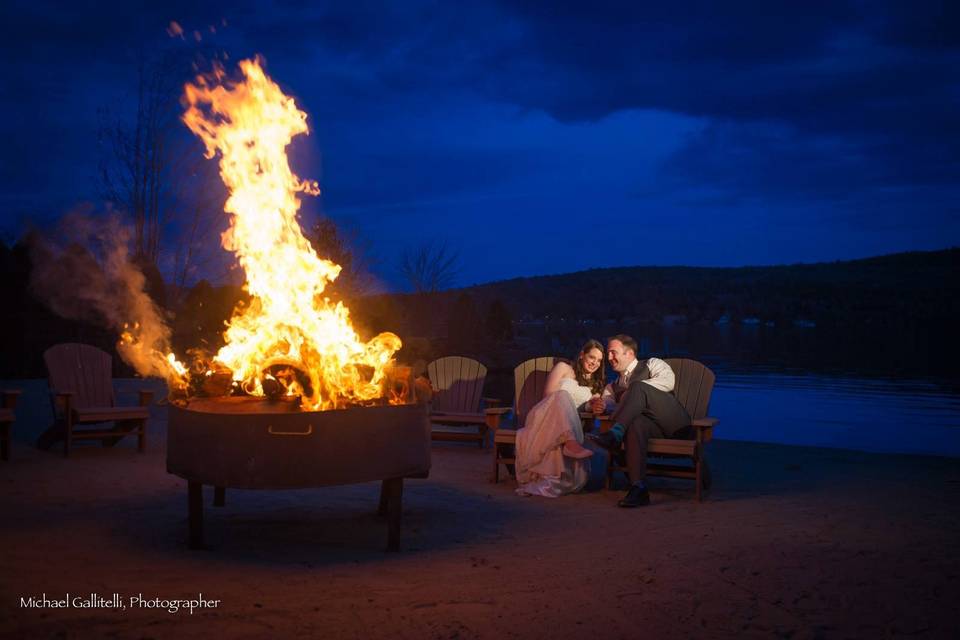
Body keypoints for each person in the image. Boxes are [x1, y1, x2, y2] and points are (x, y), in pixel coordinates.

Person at [587, 334, 691, 508]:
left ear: (630, 353)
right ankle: (639, 488)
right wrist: (600, 406)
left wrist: (634, 392)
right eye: (608, 354)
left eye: (613, 352)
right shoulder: (612, 387)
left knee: (638, 387)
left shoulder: (652, 364)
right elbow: (610, 405)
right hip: (649, 430)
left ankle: (615, 434)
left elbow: (668, 382)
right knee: (635, 423)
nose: (609, 358)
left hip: (675, 424)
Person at [515, 339, 606, 497]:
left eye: (599, 360)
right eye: (592, 357)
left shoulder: (596, 386)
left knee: (564, 397)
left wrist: (593, 406)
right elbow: (548, 395)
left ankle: (568, 442)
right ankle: (571, 443)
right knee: (561, 395)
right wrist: (569, 404)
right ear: (581, 355)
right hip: (544, 416)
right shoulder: (563, 368)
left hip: (570, 423)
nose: (595, 363)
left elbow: (591, 412)